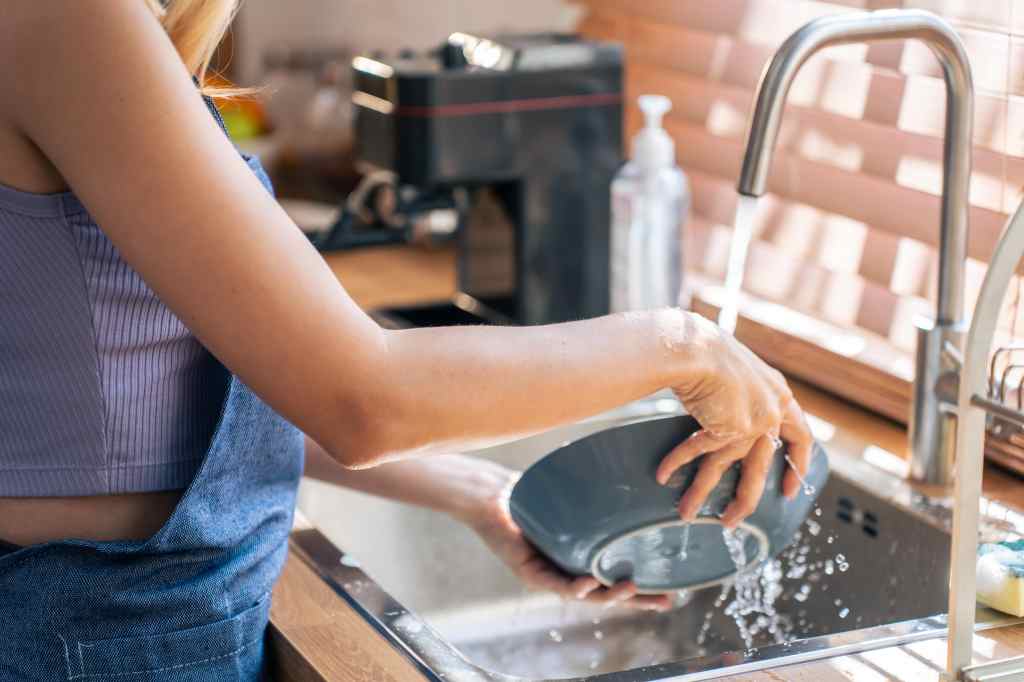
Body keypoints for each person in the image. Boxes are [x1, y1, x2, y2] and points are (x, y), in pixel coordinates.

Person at [0, 1, 814, 679]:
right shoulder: (74, 16)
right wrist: (684, 346)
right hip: (102, 641)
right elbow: (364, 401)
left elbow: (170, 372)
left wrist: (469, 490)